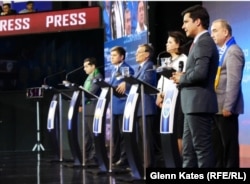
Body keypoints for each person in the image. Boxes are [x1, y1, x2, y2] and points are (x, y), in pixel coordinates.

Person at [171, 5, 219, 168]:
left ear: (197, 22)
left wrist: (182, 78)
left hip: (198, 105)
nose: (183, 26)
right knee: (189, 152)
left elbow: (200, 73)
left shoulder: (204, 42)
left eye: (186, 22)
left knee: (201, 150)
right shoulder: (198, 42)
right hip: (191, 105)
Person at [210, 19, 245, 168]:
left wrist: (228, 106)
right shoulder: (223, 51)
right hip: (216, 108)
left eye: (215, 31)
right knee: (218, 150)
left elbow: (233, 81)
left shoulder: (233, 51)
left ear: (225, 32)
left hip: (225, 109)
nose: (212, 35)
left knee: (229, 149)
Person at [155, 31, 188, 156]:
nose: (166, 44)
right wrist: (159, 95)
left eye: (170, 42)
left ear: (178, 44)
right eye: (167, 42)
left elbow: (183, 79)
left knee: (179, 130)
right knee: (168, 130)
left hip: (178, 99)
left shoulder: (185, 60)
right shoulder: (167, 61)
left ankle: (182, 161)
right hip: (167, 100)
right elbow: (162, 80)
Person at [109, 46, 134, 168]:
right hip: (115, 106)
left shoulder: (126, 68)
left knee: (123, 134)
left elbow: (129, 82)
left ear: (122, 57)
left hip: (123, 106)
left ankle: (124, 159)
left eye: (114, 55)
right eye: (111, 55)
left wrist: (126, 83)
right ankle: (115, 157)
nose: (111, 57)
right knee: (116, 135)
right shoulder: (115, 69)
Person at [134, 43, 157, 167]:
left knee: (146, 139)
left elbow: (146, 81)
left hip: (146, 107)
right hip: (138, 107)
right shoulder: (139, 67)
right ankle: (142, 164)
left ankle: (148, 166)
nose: (136, 55)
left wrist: (130, 81)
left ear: (147, 54)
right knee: (141, 139)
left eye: (139, 52)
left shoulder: (149, 66)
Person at [79, 57, 103, 164]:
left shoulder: (98, 76)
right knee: (86, 135)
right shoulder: (88, 77)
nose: (84, 69)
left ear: (93, 66)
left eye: (86, 66)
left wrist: (80, 103)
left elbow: (91, 92)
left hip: (93, 109)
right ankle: (85, 155)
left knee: (94, 135)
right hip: (86, 109)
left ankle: (95, 157)